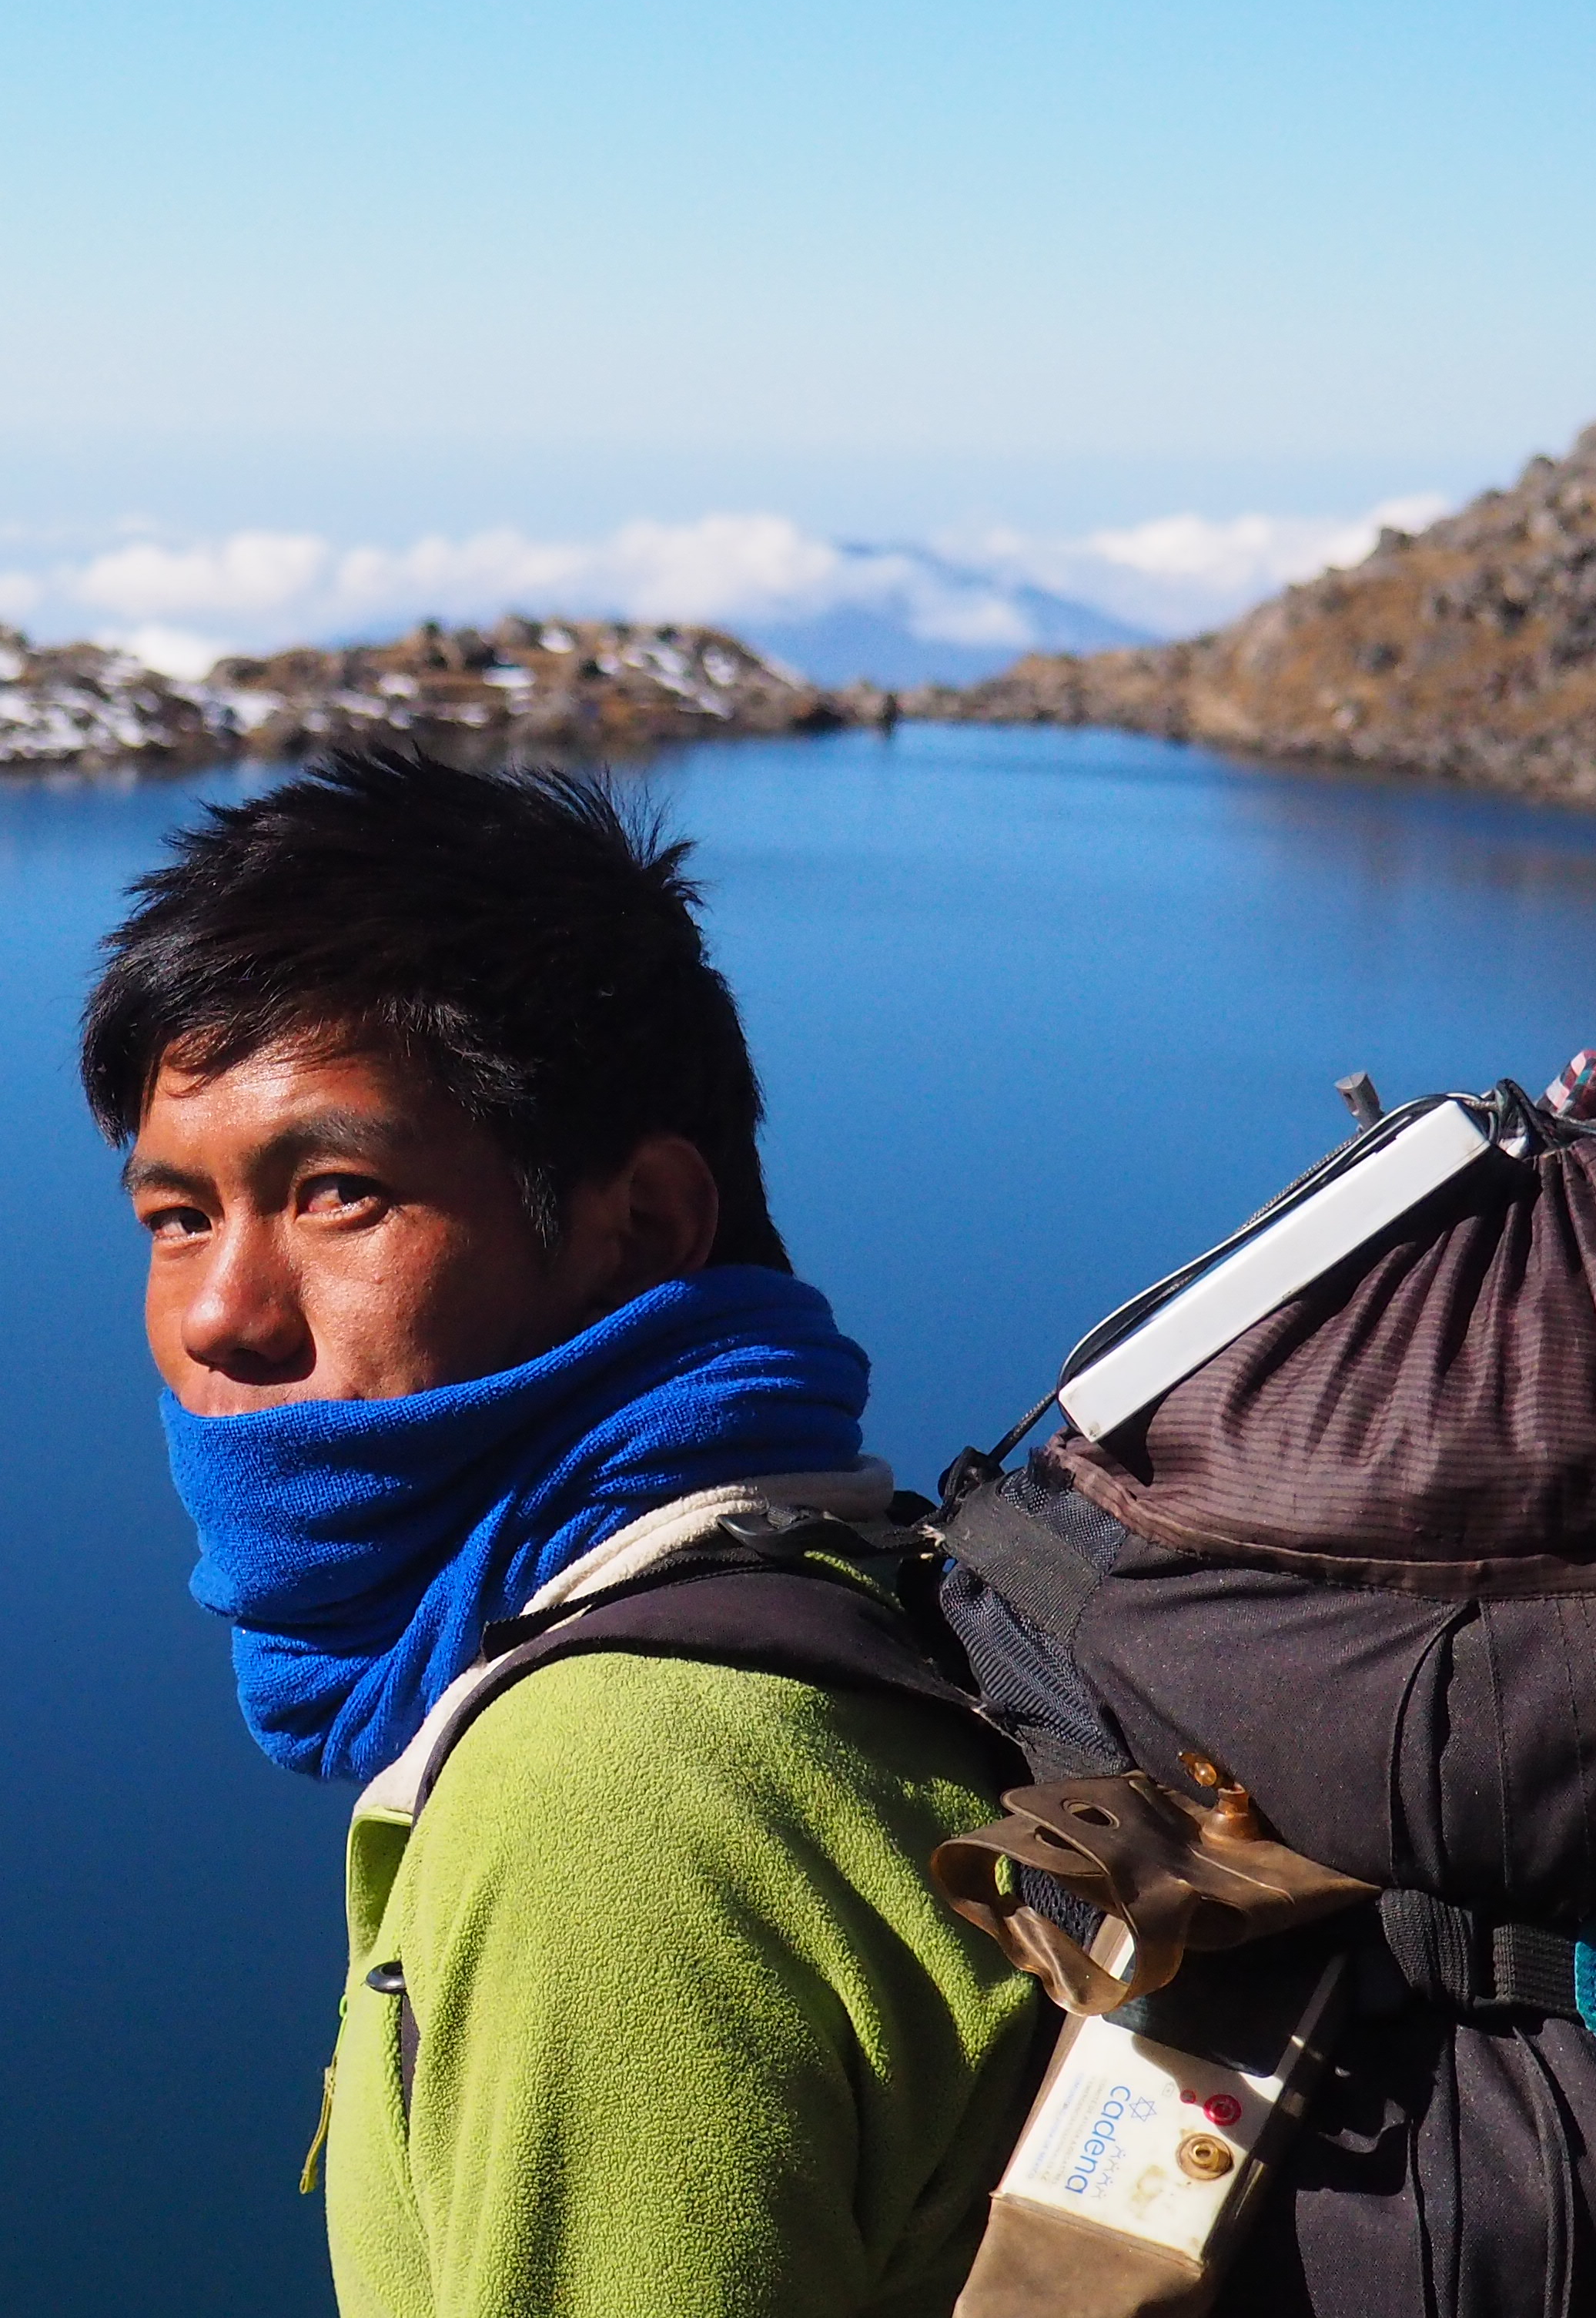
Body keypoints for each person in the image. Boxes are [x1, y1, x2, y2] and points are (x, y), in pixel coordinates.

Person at [79, 751, 1044, 2318]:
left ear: (645, 1224)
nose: (220, 1314)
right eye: (177, 1216)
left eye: (336, 1193)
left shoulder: (619, 1799)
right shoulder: (843, 1581)